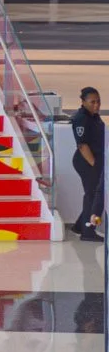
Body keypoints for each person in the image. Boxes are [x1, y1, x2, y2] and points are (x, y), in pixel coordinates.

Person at [70, 88, 103, 241]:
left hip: (94, 161)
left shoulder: (94, 116)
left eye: (98, 101)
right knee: (92, 195)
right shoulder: (81, 118)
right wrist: (95, 166)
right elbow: (82, 146)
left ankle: (79, 226)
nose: (96, 105)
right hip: (86, 161)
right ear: (83, 102)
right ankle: (88, 232)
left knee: (93, 194)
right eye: (92, 102)